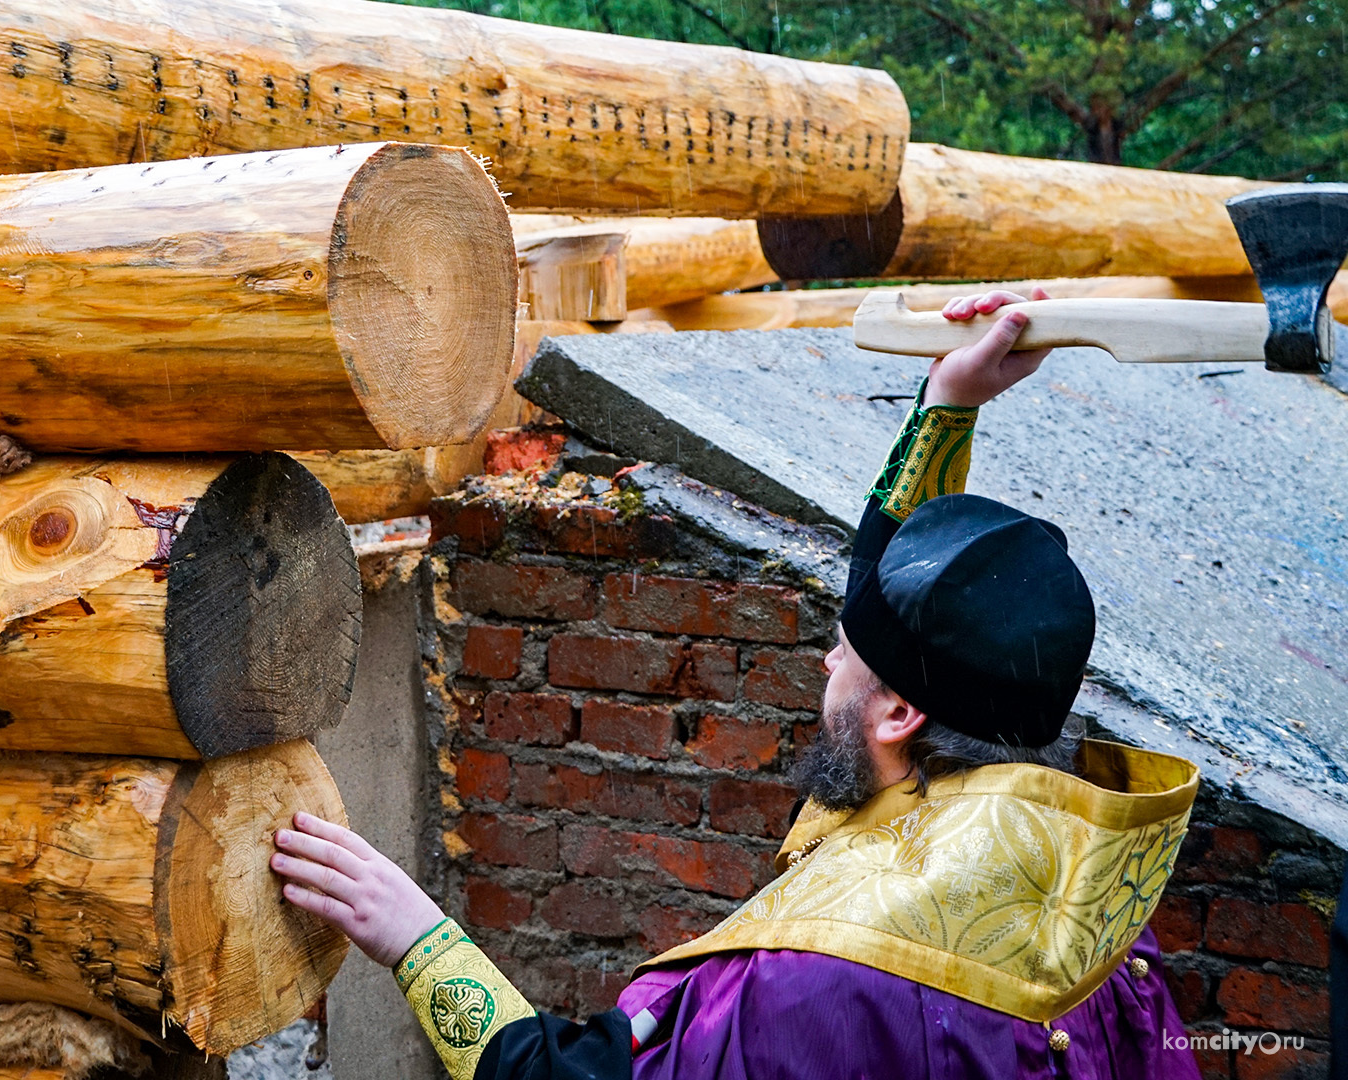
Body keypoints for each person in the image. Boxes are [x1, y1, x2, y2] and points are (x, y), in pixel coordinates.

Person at [270, 289, 1205, 1079]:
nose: (825, 661)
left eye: (846, 653)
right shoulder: (1096, 903)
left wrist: (415, 938)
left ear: (901, 712)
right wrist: (946, 401)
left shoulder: (807, 988)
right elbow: (893, 618)